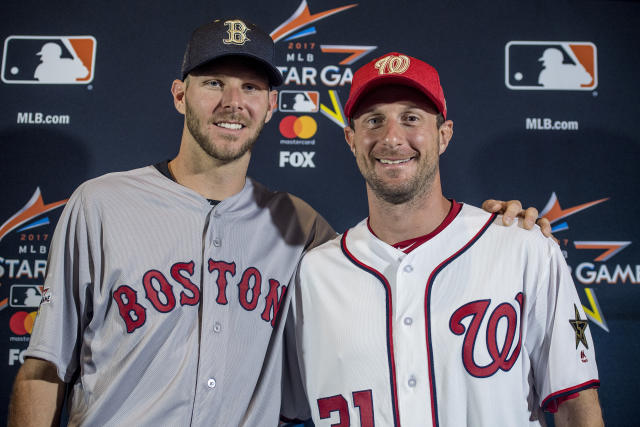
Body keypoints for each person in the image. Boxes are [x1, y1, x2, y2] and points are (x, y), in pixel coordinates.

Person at [9, 19, 547, 426]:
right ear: (180, 95)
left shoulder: (304, 230)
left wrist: (497, 228)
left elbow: (398, 282)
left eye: (251, 89)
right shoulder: (100, 205)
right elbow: (42, 370)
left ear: (271, 107)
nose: (232, 102)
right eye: (214, 82)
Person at [283, 52, 604, 426]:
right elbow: (278, 409)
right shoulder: (314, 274)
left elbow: (577, 403)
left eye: (411, 118)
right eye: (374, 120)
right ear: (351, 140)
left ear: (443, 135)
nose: (391, 137)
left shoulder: (523, 247)